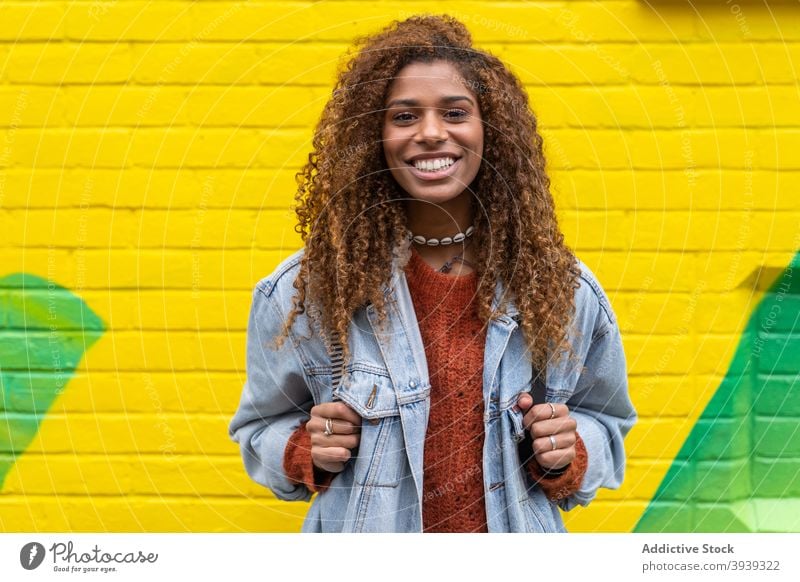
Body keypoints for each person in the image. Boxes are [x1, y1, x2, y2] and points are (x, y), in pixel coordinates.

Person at [229, 14, 637, 533]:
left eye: (455, 112)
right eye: (403, 116)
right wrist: (301, 450)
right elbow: (259, 428)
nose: (430, 133)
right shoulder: (306, 292)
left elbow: (608, 422)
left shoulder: (559, 288)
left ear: (491, 131)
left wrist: (569, 450)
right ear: (372, 137)